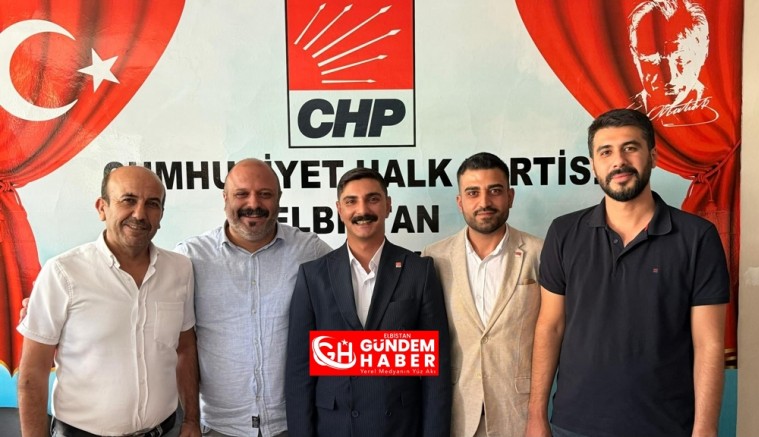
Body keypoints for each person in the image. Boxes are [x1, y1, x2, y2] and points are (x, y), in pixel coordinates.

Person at [525, 108, 729, 437]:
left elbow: (709, 342)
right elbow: (550, 326)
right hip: (573, 426)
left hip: (666, 427)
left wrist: (705, 429)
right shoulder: (563, 233)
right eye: (605, 152)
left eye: (630, 148)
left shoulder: (697, 237)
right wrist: (536, 416)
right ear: (593, 165)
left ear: (653, 157)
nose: (618, 161)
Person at [17, 165, 200, 437]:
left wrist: (192, 420)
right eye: (128, 200)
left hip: (165, 430)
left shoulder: (180, 270)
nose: (139, 214)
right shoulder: (63, 273)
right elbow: (33, 374)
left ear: (161, 215)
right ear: (102, 208)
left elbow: (185, 348)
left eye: (152, 204)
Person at [285, 167, 452, 437]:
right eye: (351, 201)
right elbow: (299, 370)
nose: (362, 210)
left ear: (388, 205)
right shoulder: (313, 275)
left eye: (373, 199)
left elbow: (436, 371)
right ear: (339, 209)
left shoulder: (419, 271)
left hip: (399, 428)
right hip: (334, 428)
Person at [174, 158, 332, 437]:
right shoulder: (190, 257)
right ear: (225, 198)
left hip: (293, 424)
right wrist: (190, 419)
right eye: (241, 194)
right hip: (218, 427)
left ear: (279, 198)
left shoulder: (310, 251)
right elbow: (181, 345)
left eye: (265, 194)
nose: (253, 203)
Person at [422, 152, 543, 437]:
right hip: (457, 413)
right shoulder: (434, 257)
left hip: (519, 414)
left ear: (510, 197)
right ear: (460, 201)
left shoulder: (540, 252)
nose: (484, 202)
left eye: (495, 191)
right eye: (473, 193)